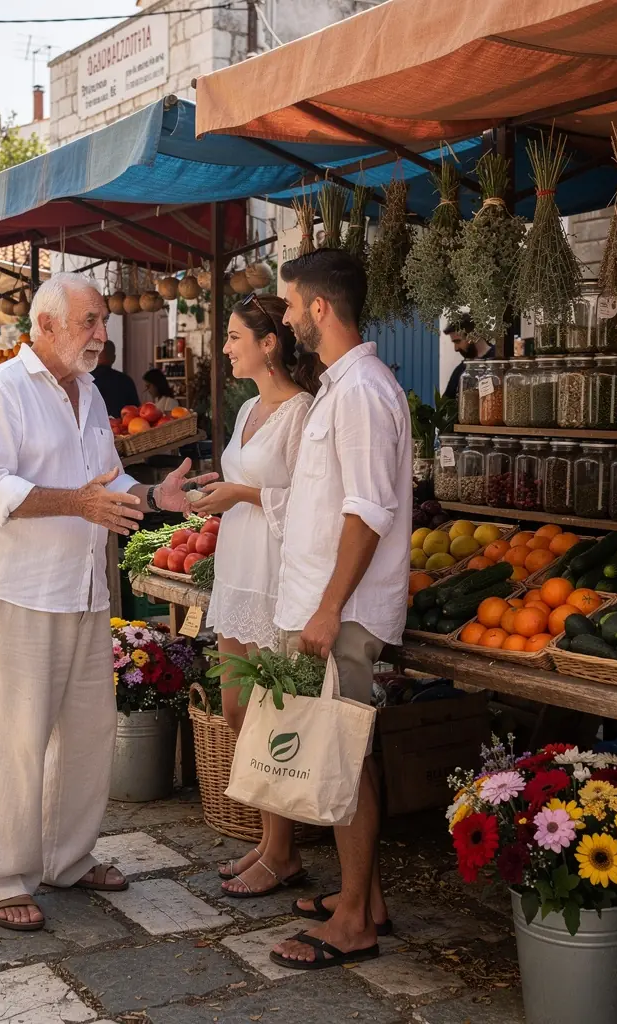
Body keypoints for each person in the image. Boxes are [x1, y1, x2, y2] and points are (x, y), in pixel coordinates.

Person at [0, 272, 215, 932]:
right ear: (44, 326)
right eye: (90, 323)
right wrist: (78, 502)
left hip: (83, 587)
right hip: (19, 590)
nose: (102, 335)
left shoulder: (91, 391)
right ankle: (2, 877)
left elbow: (107, 479)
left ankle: (66, 860)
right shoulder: (1, 391)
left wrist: (157, 498)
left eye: (102, 322)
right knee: (14, 740)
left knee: (86, 733)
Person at [269, 249, 411, 970]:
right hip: (333, 604)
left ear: (320, 308)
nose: (287, 315)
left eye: (291, 304)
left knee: (344, 758)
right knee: (346, 751)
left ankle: (353, 920)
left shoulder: (360, 391)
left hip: (346, 611)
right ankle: (368, 899)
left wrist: (327, 608)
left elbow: (367, 511)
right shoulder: (344, 386)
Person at [190, 294, 320, 898]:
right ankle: (269, 841)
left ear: (270, 344)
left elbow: (305, 503)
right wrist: (217, 490)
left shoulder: (303, 412)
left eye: (235, 337)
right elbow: (248, 480)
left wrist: (239, 496)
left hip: (276, 572)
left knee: (275, 713)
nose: (225, 349)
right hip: (237, 565)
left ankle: (284, 849)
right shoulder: (245, 412)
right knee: (239, 708)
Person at [442, 314, 494, 400]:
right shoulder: (461, 370)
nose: (456, 348)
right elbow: (446, 404)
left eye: (457, 341)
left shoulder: (498, 361)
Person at [91, 340, 139, 419]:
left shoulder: (84, 381)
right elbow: (136, 412)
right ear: (113, 358)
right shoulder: (126, 381)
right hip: (122, 428)